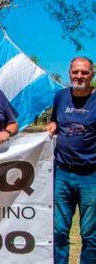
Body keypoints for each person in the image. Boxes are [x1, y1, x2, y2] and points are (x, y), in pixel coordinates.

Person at [46, 56, 96, 264]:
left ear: (92, 75)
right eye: (76, 72)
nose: (79, 76)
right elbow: (55, 121)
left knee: (90, 235)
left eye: (84, 72)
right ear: (69, 74)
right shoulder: (60, 97)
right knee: (58, 232)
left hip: (91, 176)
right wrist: (52, 126)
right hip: (62, 174)